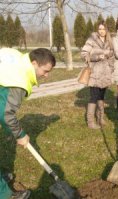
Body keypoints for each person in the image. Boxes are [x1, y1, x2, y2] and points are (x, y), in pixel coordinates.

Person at [0, 48, 56, 199]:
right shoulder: (18, 82)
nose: (46, 75)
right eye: (45, 71)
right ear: (34, 63)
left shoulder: (18, 57)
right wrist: (20, 135)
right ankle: (4, 195)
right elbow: (5, 114)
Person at [81, 21, 114, 129]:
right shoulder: (92, 40)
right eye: (99, 29)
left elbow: (112, 55)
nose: (101, 31)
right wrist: (96, 57)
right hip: (95, 73)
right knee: (94, 97)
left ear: (106, 30)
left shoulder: (110, 41)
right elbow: (84, 54)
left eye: (103, 29)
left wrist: (111, 68)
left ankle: (100, 117)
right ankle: (90, 122)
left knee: (101, 96)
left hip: (105, 74)